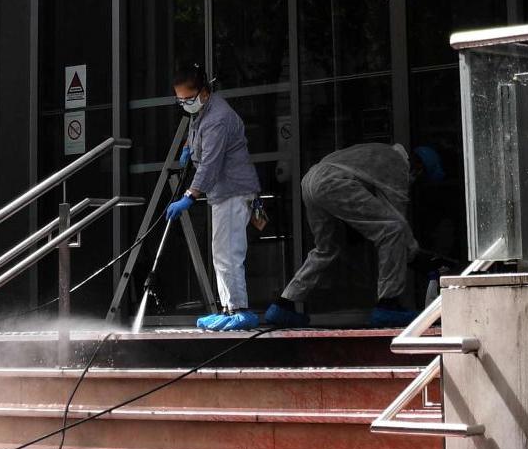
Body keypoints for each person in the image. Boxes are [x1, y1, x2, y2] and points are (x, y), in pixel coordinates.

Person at [265, 144, 446, 329]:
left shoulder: (378, 153)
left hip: (311, 181)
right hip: (332, 183)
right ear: (418, 167)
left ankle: (284, 305)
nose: (415, 181)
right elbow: (396, 215)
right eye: (420, 177)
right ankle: (388, 305)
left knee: (326, 249)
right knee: (393, 231)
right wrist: (417, 256)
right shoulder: (398, 163)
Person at [163, 64, 261, 331]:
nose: (184, 104)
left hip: (233, 191)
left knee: (228, 252)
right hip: (224, 192)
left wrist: (189, 196)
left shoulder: (218, 117)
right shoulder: (204, 111)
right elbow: (197, 134)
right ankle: (228, 308)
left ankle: (240, 311)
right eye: (180, 100)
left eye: (188, 99)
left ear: (203, 92)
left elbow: (210, 164)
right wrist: (187, 147)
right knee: (221, 252)